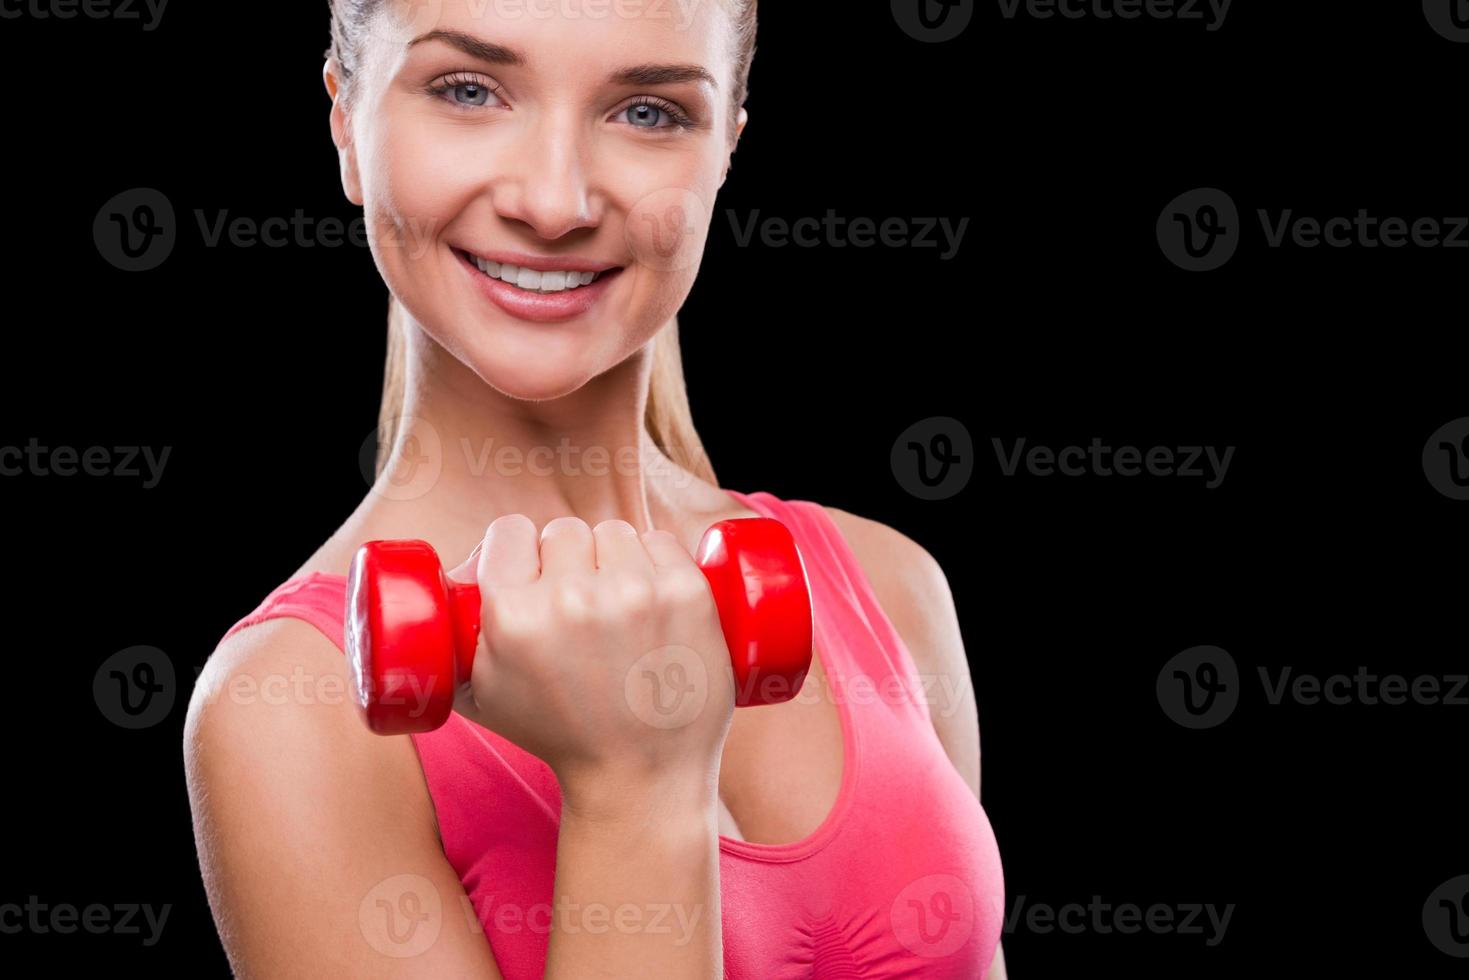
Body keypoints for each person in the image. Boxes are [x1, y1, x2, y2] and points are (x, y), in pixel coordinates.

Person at [182, 2, 1006, 976]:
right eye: (468, 90)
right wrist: (632, 782)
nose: (555, 200)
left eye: (648, 112)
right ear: (346, 125)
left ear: (723, 151)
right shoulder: (292, 708)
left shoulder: (889, 585)